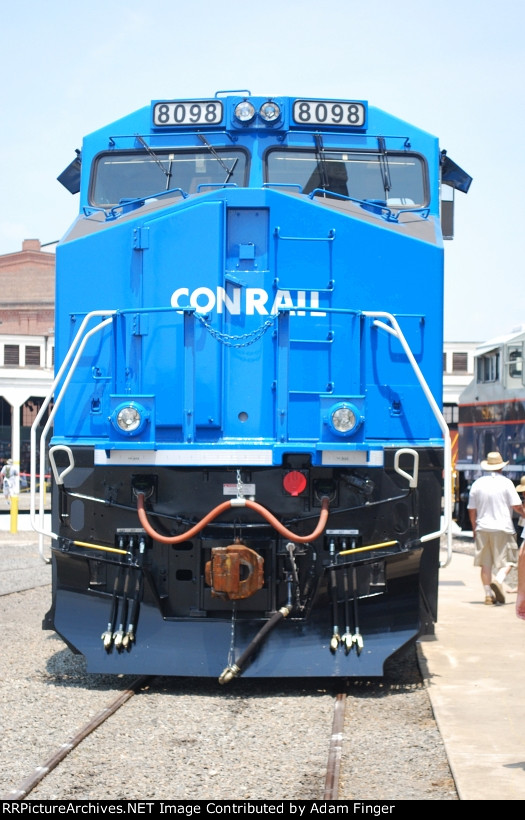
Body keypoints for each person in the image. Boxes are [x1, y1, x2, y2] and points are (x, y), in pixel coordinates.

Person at [467, 451, 524, 605]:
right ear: (501, 467)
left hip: (482, 528)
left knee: (486, 563)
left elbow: (471, 509)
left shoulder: (477, 483)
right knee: (510, 560)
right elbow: (516, 505)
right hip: (503, 527)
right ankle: (498, 580)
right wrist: (523, 513)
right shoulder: (506, 483)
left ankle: (488, 595)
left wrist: (474, 528)